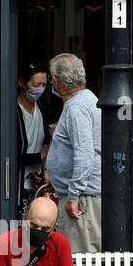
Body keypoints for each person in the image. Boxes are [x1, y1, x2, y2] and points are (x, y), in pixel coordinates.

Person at [44, 52, 102, 254]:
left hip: (83, 198)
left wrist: (74, 194)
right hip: (84, 194)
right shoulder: (85, 101)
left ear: (57, 81)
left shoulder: (76, 108)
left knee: (82, 258)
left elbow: (84, 153)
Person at [14, 62, 52, 217]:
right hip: (20, 182)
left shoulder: (42, 106)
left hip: (39, 181)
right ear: (21, 82)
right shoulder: (13, 110)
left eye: (43, 84)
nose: (40, 89)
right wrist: (38, 156)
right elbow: (10, 154)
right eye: (36, 84)